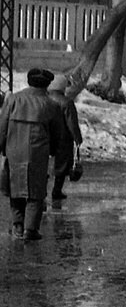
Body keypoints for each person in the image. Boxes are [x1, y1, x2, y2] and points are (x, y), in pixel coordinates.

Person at [0, 68, 69, 240]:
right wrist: (53, 151)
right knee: (36, 191)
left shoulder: (13, 100)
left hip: (14, 150)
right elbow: (57, 134)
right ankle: (30, 229)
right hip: (38, 152)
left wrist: (2, 147)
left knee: (15, 188)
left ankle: (17, 224)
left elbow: (2, 126)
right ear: (47, 84)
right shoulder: (51, 105)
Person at [46, 73, 84, 201]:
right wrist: (77, 138)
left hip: (45, 136)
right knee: (61, 165)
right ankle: (57, 190)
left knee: (44, 165)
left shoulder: (44, 99)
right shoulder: (66, 103)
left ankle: (42, 190)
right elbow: (72, 123)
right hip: (63, 138)